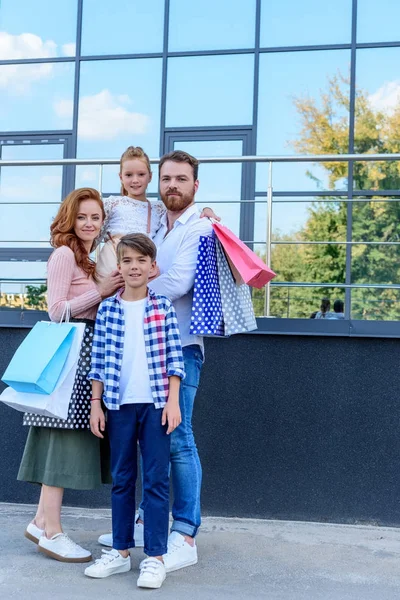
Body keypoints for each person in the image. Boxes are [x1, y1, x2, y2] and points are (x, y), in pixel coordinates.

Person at [19, 188, 123, 563]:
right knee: (60, 441)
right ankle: (52, 532)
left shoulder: (89, 258)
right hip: (71, 353)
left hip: (86, 353)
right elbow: (56, 310)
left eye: (96, 217)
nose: (90, 224)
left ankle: (39, 521)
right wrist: (100, 291)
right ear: (70, 219)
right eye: (82, 217)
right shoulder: (64, 254)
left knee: (59, 438)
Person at [85, 233, 185, 589]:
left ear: (152, 267)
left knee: (157, 481)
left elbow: (176, 359)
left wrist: (173, 402)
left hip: (157, 405)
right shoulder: (109, 308)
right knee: (123, 480)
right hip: (119, 405)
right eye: (127, 261)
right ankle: (121, 552)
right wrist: (96, 405)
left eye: (141, 260)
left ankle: (155, 557)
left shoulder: (162, 307)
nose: (134, 267)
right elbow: (97, 362)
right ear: (120, 267)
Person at [96, 146, 216, 278]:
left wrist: (206, 210)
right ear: (120, 177)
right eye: (129, 175)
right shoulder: (112, 204)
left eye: (141, 174)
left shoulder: (159, 209)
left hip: (140, 269)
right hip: (112, 263)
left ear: (150, 177)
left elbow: (186, 209)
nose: (135, 180)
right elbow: (93, 237)